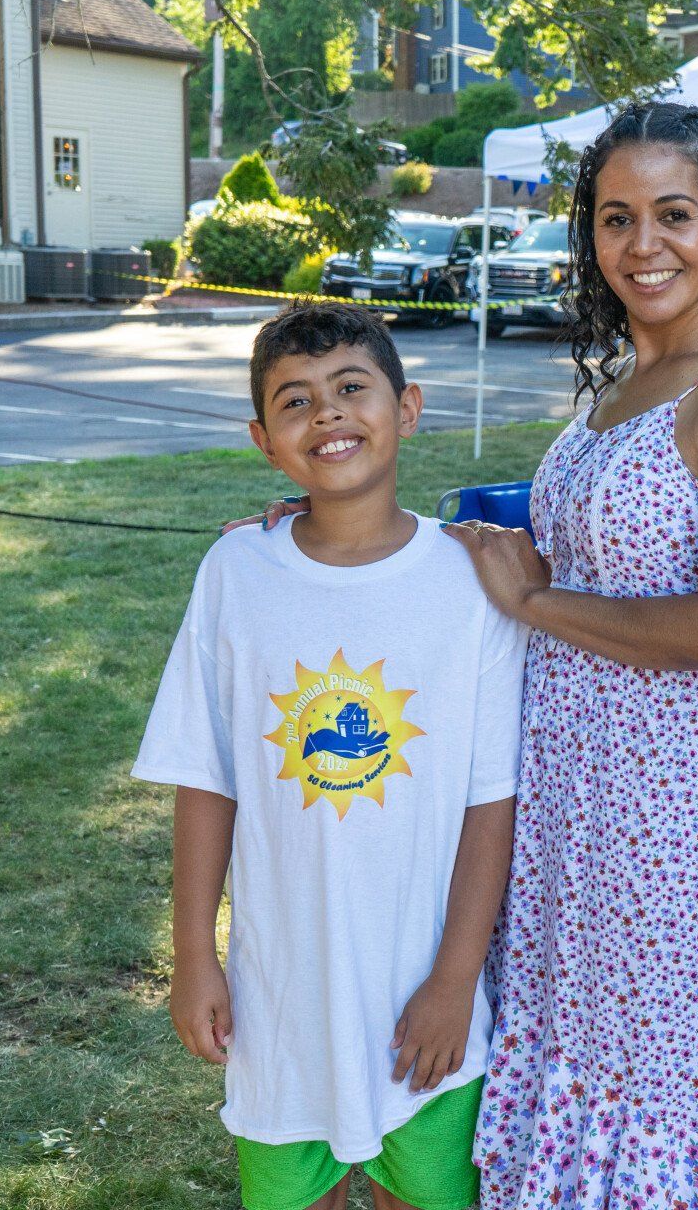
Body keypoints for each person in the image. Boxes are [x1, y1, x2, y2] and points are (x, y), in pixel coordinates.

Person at [449, 102, 698, 1209]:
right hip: (571, 798)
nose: (642, 244)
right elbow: (517, 559)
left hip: (672, 819)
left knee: (664, 1099)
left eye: (673, 214)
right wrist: (327, 527)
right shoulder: (618, 383)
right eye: (616, 218)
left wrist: (542, 601)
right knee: (584, 1075)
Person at [140, 302, 522, 1210]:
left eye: (353, 388)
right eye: (297, 402)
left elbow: (491, 802)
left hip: (423, 1002)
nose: (330, 415)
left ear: (409, 405)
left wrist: (455, 979)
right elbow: (206, 778)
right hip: (283, 1006)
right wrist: (195, 953)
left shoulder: (472, 583)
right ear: (265, 442)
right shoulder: (236, 574)